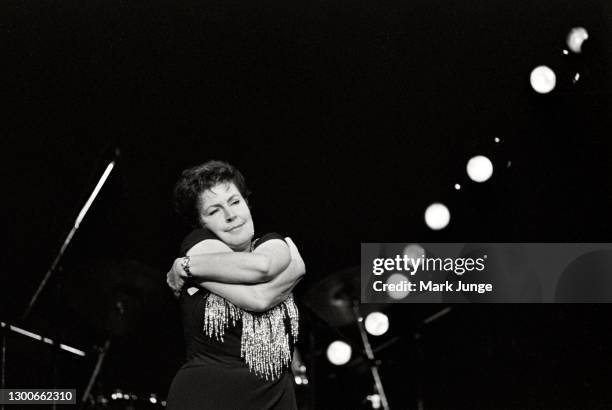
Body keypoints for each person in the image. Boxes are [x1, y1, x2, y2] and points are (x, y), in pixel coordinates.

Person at [165, 160, 306, 410]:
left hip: (277, 399)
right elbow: (258, 297)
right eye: (214, 211)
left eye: (235, 202)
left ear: (247, 203)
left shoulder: (271, 242)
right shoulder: (198, 246)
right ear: (200, 223)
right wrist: (293, 269)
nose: (231, 215)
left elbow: (263, 266)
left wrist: (186, 266)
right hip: (208, 397)